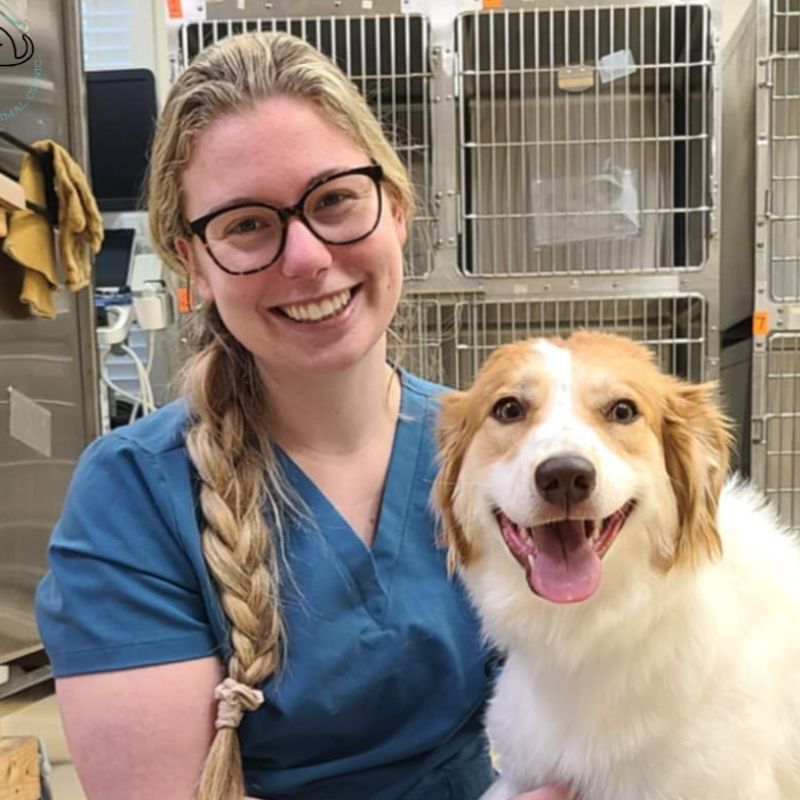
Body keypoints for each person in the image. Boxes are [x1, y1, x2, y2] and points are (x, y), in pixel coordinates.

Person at [35, 32, 573, 800]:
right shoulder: (134, 497)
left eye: (334, 200)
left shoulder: (492, 450)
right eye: (247, 224)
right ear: (194, 262)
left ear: (395, 205)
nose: (307, 257)